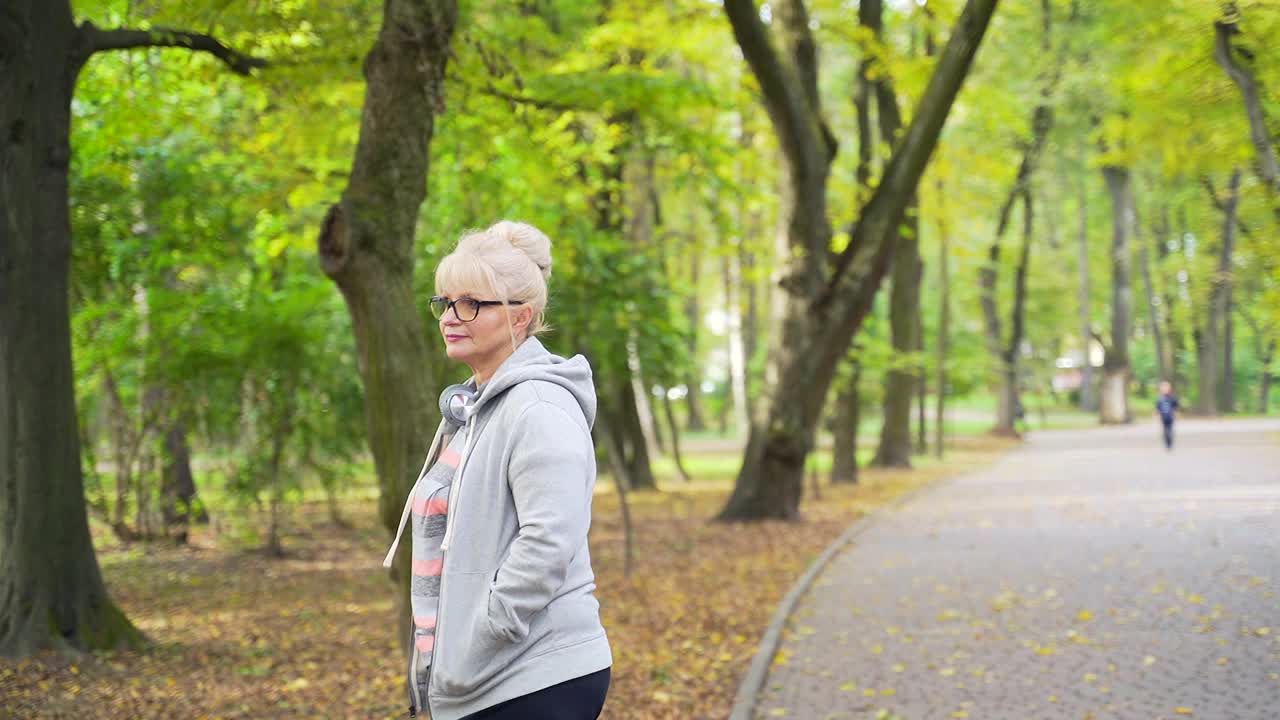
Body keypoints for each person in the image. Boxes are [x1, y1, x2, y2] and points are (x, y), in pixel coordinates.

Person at [382, 221, 611, 720]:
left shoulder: (539, 407)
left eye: (471, 303)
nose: (450, 317)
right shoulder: (475, 409)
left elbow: (548, 543)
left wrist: (477, 639)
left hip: (533, 678)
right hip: (485, 679)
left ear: (521, 316)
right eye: (444, 302)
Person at [1155, 381, 1180, 450]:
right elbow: (1157, 408)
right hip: (1163, 417)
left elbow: (1176, 406)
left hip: (1170, 416)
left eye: (1166, 388)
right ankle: (1167, 443)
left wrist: (1176, 414)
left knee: (1170, 430)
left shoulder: (1172, 397)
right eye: (1163, 388)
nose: (1164, 389)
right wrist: (1157, 415)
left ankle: (1170, 442)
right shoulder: (1159, 398)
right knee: (1165, 431)